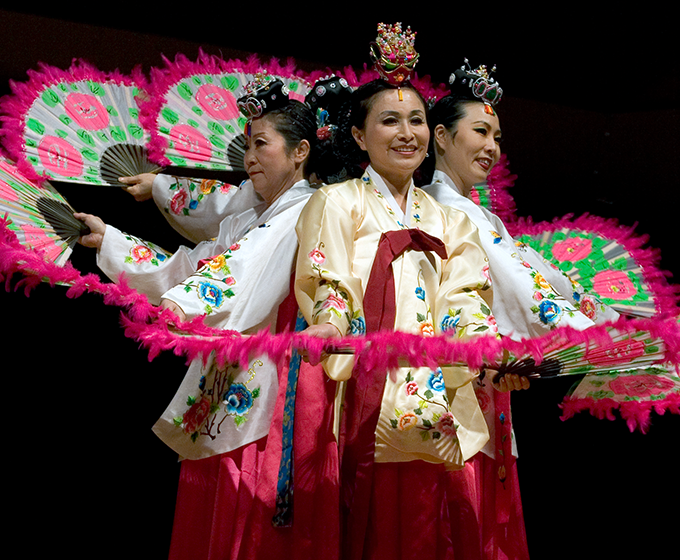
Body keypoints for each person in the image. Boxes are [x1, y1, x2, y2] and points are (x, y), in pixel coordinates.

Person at [76, 76, 339, 560]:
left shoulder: (311, 206)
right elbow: (191, 265)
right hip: (235, 366)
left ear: (301, 151)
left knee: (254, 509)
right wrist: (111, 240)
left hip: (283, 378)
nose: (250, 157)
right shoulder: (246, 218)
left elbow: (240, 267)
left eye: (261, 144)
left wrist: (186, 303)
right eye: (248, 145)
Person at [294, 23, 516, 560]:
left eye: (416, 120)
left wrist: (483, 350)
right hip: (365, 390)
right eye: (389, 121)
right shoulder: (337, 202)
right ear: (359, 136)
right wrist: (329, 322)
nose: (407, 133)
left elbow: (467, 298)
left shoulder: (450, 220)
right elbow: (329, 280)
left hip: (438, 394)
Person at [420, 60, 620, 559]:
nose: (492, 146)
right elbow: (523, 287)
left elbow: (538, 276)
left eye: (498, 136)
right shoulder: (452, 209)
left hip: (477, 375)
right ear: (440, 137)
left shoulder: (475, 212)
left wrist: (599, 313)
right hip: (451, 379)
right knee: (461, 518)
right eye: (481, 131)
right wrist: (592, 333)